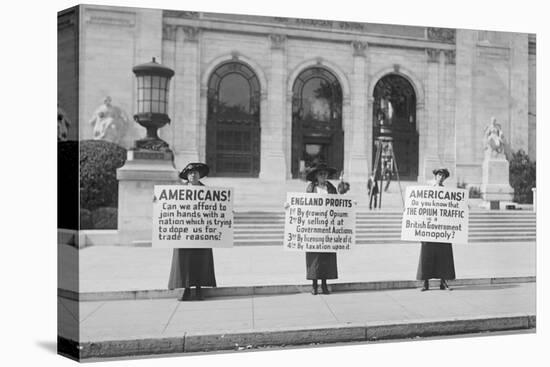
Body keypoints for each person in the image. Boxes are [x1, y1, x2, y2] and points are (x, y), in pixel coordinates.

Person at [167, 162, 217, 301]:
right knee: (184, 260)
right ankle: (186, 289)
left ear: (200, 175)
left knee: (201, 259)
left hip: (201, 232)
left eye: (195, 172)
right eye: (190, 173)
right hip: (184, 233)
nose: (193, 175)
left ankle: (199, 289)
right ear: (187, 176)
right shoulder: (178, 191)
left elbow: (216, 208)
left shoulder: (208, 192)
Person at [304, 162, 347, 295]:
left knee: (326, 258)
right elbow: (303, 204)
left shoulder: (331, 188)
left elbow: (338, 203)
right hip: (314, 227)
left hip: (328, 228)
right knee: (314, 257)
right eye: (321, 174)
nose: (323, 176)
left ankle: (324, 284)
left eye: (325, 174)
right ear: (316, 176)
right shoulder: (311, 188)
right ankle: (314, 285)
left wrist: (350, 206)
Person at [416, 168, 455, 291]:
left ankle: (443, 283)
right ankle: (425, 283)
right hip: (430, 229)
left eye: (443, 176)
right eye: (439, 175)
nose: (441, 177)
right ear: (435, 176)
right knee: (426, 256)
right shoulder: (428, 190)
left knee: (444, 257)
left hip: (442, 230)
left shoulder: (447, 192)